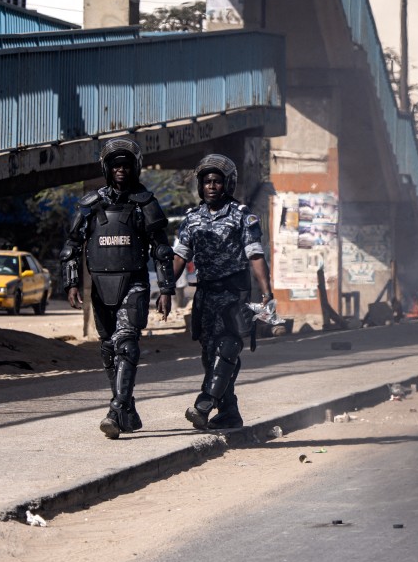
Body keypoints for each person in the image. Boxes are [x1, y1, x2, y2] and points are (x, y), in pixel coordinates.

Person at [60, 138, 175, 439]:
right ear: (107, 168)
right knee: (109, 350)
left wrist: (166, 289)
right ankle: (128, 411)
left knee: (127, 343)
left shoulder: (145, 203)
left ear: (134, 167)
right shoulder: (91, 204)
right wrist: (71, 282)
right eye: (115, 165)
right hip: (99, 286)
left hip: (134, 283)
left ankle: (115, 408)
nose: (120, 169)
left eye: (125, 164)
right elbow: (71, 246)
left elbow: (162, 250)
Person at [171, 154, 272, 431]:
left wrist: (267, 291)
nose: (211, 186)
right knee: (209, 355)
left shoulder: (242, 216)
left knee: (227, 349)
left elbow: (255, 255)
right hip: (205, 295)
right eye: (207, 181)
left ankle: (205, 403)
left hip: (234, 292)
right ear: (200, 185)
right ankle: (229, 412)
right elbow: (179, 256)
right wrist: (167, 288)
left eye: (217, 181)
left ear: (227, 184)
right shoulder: (192, 219)